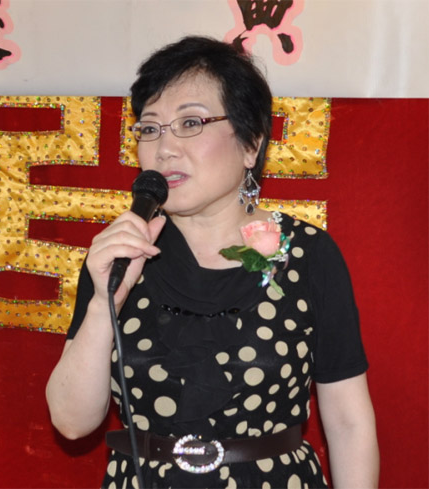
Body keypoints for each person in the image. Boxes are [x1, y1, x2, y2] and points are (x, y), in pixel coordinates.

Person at [46, 36, 379, 489]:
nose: (165, 148)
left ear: (251, 144)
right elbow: (71, 422)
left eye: (190, 123)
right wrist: (106, 304)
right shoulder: (120, 253)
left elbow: (348, 421)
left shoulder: (307, 254)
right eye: (150, 128)